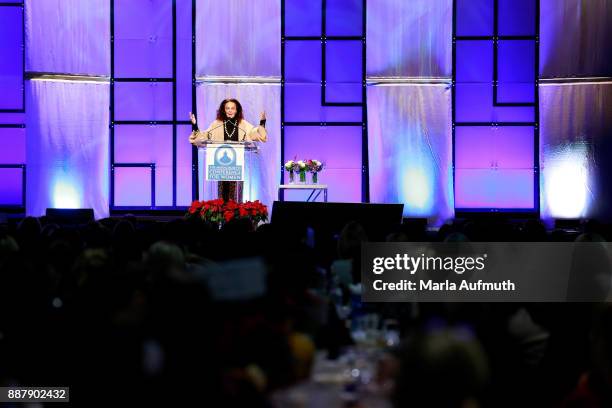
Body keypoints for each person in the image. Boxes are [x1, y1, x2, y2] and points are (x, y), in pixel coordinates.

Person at [188, 98, 268, 202]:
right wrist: (194, 124)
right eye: (227, 108)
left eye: (232, 108)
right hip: (220, 166)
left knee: (235, 195)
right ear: (223, 110)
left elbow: (255, 133)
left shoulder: (242, 124)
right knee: (222, 195)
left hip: (236, 167)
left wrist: (262, 122)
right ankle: (221, 215)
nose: (230, 110)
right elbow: (204, 136)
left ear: (236, 110)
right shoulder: (217, 124)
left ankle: (236, 215)